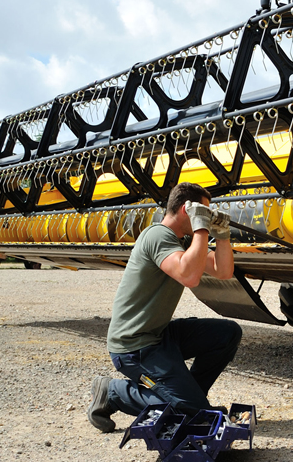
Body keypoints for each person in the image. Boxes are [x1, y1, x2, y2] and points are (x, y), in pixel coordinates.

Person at [87, 182, 240, 432]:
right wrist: (202, 230)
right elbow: (189, 276)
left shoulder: (182, 241)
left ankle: (191, 397)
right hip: (134, 346)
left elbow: (223, 272)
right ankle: (112, 391)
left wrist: (222, 236)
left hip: (158, 336)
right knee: (186, 413)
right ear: (185, 211)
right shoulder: (157, 235)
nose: (207, 218)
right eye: (203, 212)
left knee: (227, 333)